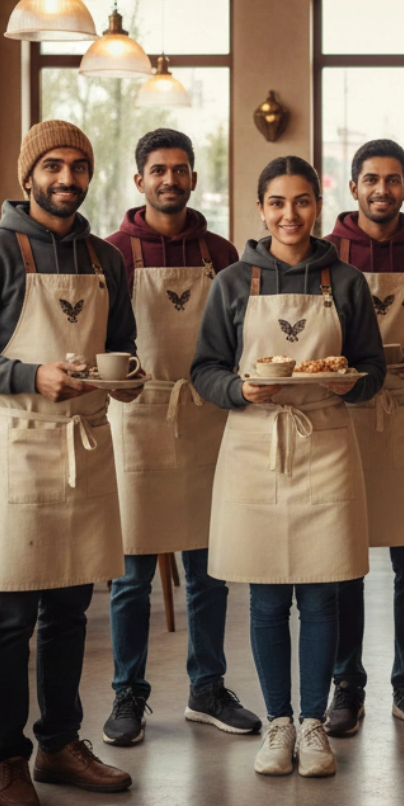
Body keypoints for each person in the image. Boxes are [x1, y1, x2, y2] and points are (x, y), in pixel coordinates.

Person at [0, 120, 137, 806]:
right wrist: (29, 374)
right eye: (53, 164)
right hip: (17, 448)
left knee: (70, 612)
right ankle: (7, 758)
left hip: (84, 444)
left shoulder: (108, 260)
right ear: (29, 176)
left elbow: (123, 349)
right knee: (12, 615)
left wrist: (127, 380)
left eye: (79, 165)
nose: (67, 177)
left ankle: (59, 743)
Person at [191, 156, 385, 777]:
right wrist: (238, 392)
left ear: (318, 208)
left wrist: (346, 387)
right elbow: (205, 370)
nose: (290, 215)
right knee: (268, 597)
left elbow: (371, 370)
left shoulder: (346, 282)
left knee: (324, 593)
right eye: (277, 203)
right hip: (254, 443)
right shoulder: (232, 282)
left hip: (326, 441)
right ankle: (277, 723)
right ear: (260, 209)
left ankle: (314, 724)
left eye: (302, 202)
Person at [102, 129, 260, 747]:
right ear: (138, 179)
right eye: (158, 170)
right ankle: (128, 694)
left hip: (208, 421)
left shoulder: (223, 254)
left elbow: (245, 337)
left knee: (209, 569)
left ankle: (207, 688)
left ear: (194, 178)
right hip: (137, 421)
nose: (170, 179)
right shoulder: (110, 254)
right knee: (130, 576)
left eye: (181, 169)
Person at [322, 139, 404, 738]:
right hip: (344, 416)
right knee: (344, 560)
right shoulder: (323, 254)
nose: (382, 189)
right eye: (371, 179)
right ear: (353, 187)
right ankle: (346, 686)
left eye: (393, 180)